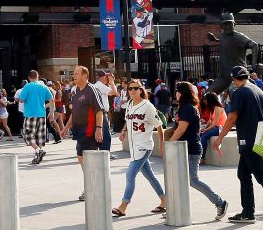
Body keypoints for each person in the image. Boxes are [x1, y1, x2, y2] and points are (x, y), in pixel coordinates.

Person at [215, 66, 263, 224]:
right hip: (257, 137)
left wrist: (219, 138)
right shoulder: (257, 89)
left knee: (261, 175)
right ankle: (248, 211)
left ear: (234, 79)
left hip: (248, 139)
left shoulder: (240, 92)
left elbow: (232, 117)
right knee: (243, 174)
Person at [168, 81, 228, 219]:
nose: (175, 93)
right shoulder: (186, 107)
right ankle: (176, 207)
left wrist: (170, 143)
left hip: (191, 149)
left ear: (182, 93)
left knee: (193, 180)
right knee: (180, 179)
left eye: (177, 90)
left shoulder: (188, 108)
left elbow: (182, 128)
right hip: (184, 148)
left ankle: (220, 202)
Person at [114, 79, 166, 217]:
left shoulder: (147, 106)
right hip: (134, 145)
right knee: (149, 175)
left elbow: (159, 125)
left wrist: (162, 145)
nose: (132, 91)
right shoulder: (130, 103)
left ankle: (123, 206)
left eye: (135, 88)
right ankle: (165, 199)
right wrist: (124, 131)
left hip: (144, 145)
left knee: (130, 174)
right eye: (130, 88)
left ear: (141, 90)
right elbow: (128, 119)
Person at [64, 66, 108, 202]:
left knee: (86, 158)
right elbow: (74, 112)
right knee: (81, 157)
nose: (74, 76)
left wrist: (99, 129)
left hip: (90, 129)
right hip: (79, 129)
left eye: (77, 74)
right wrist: (66, 128)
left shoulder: (91, 90)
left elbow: (99, 111)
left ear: (85, 75)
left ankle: (91, 186)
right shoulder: (76, 90)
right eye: (74, 74)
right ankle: (92, 183)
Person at [16, 70, 53, 165]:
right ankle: (37, 156)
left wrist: (18, 99)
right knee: (39, 137)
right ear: (38, 76)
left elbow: (21, 100)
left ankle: (38, 151)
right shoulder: (44, 86)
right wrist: (51, 112)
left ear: (29, 77)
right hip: (42, 114)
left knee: (27, 134)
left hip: (30, 114)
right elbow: (52, 100)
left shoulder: (27, 86)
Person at [198, 91, 226, 164]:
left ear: (210, 100)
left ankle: (202, 158)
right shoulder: (212, 108)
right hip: (215, 127)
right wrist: (204, 129)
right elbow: (209, 121)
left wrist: (206, 130)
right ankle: (199, 156)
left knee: (204, 137)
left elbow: (215, 123)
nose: (204, 101)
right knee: (200, 135)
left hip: (220, 128)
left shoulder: (218, 108)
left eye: (206, 99)